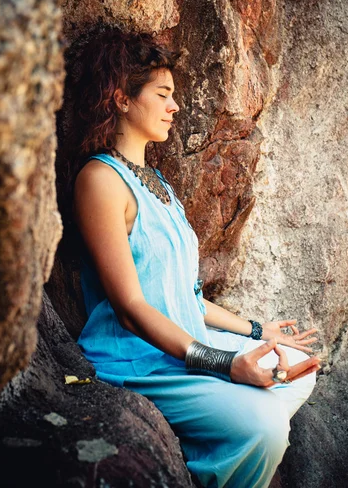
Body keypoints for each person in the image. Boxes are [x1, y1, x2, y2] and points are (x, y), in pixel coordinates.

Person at [63, 25, 320, 488]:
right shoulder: (99, 182)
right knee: (265, 429)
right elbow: (132, 309)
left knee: (296, 369)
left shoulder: (160, 186)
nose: (175, 106)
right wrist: (225, 364)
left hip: (187, 342)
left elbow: (188, 297)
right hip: (140, 360)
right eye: (162, 94)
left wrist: (259, 329)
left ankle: (220, 433)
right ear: (122, 98)